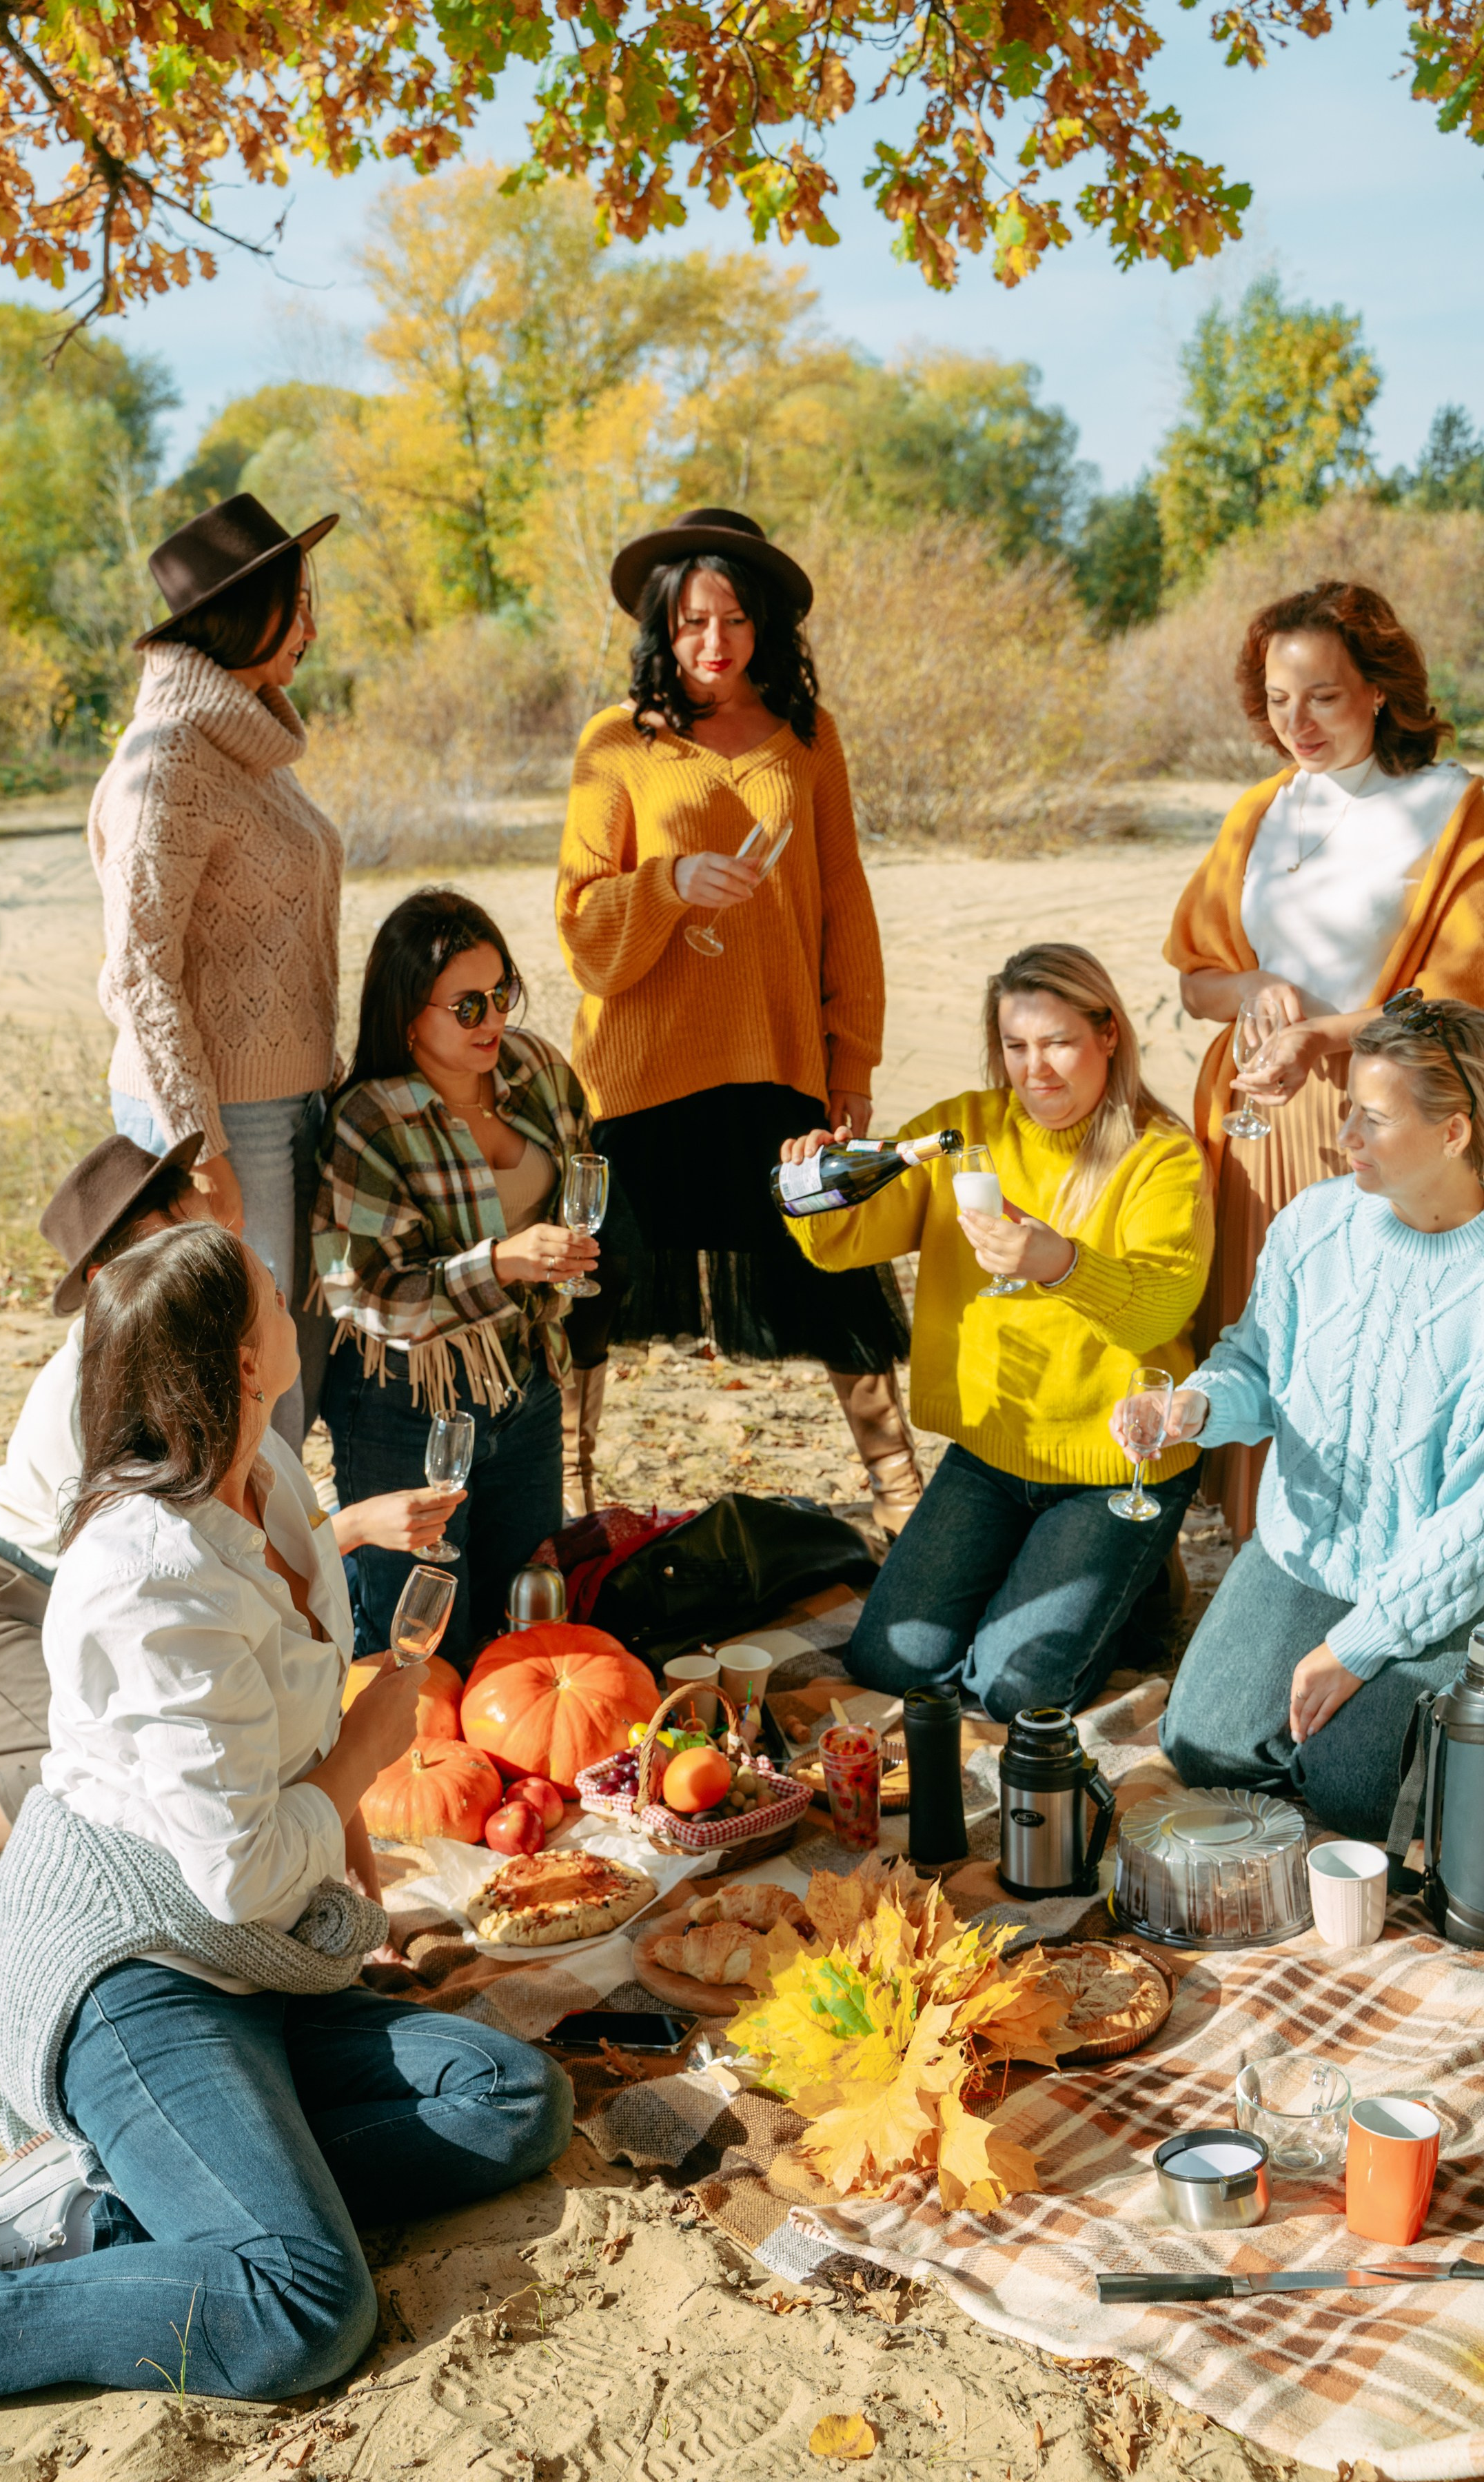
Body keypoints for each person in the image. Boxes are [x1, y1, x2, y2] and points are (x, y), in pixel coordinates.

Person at [0, 1223, 571, 2420]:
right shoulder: (146, 1582)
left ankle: (139, 2201)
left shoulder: (267, 1476)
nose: (299, 1305)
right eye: (278, 1297)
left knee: (513, 2103)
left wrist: (362, 1868)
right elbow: (240, 1875)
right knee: (305, 2307)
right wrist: (370, 1751)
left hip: (255, 1963)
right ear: (239, 1358)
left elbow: (281, 1763)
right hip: (138, 1973)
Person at [0, 1137, 458, 1919]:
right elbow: (190, 1584)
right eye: (175, 1229)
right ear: (113, 1279)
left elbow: (254, 1587)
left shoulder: (236, 1425)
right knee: (106, 1779)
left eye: (197, 1214)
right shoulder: (124, 1405)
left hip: (76, 1606)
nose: (210, 1239)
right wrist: (356, 1530)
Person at [554, 507, 922, 1535]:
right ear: (662, 633)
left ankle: (901, 1502)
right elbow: (583, 924)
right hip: (639, 1074)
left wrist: (851, 1062)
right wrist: (668, 884)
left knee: (834, 1274)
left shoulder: (810, 739)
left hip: (776, 1062)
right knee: (596, 1288)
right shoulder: (614, 743)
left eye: (733, 621)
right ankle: (573, 1511)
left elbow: (846, 904)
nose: (713, 645)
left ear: (764, 627)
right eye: (690, 625)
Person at [782, 945, 1212, 1719]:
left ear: (1108, 1033)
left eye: (1058, 1042)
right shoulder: (962, 1132)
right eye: (1016, 1046)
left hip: (1115, 1464)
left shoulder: (1162, 1156)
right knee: (887, 1661)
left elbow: (1159, 1311)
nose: (1035, 1068)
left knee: (1013, 1693)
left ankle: (1136, 1581)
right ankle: (1089, 1578)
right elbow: (847, 1241)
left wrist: (1062, 1263)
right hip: (991, 1455)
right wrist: (812, 1188)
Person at [1166, 578, 1484, 1540]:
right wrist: (1257, 991)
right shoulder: (1262, 810)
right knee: (1255, 1323)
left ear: (1380, 688)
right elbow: (1195, 979)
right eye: (1274, 700)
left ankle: (1353, 1545)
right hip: (1252, 1108)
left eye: (1323, 696)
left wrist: (1321, 1036)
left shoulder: (1455, 805)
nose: (1295, 722)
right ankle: (1257, 1537)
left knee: (1355, 1335)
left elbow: (1458, 995)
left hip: (1379, 1111)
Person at [1158, 993, 1484, 1842]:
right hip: (1302, 1554)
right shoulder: (1316, 1222)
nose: (1344, 1141)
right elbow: (1254, 1362)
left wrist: (1361, 1645)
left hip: (1438, 1584)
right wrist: (1197, 1405)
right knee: (1201, 1748)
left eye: (1372, 1121)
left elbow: (1475, 1525)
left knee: (1359, 1799)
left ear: (1455, 1134)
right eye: (1347, 1112)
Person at [90, 492, 347, 1449]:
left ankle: (291, 1589)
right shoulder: (167, 764)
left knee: (294, 1384)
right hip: (216, 1122)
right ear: (246, 614)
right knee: (245, 1400)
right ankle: (240, 1594)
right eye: (300, 605)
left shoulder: (247, 747)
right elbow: (140, 973)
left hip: (290, 1110)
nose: (314, 627)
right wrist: (202, 1151)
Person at [313, 889, 597, 1668]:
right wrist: (500, 1263)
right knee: (421, 1644)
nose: (494, 1021)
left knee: (526, 1619)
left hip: (523, 1386)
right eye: (467, 1006)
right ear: (409, 1015)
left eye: (502, 993)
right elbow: (359, 1293)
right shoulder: (366, 1121)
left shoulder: (536, 1068)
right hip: (408, 1407)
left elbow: (586, 1174)